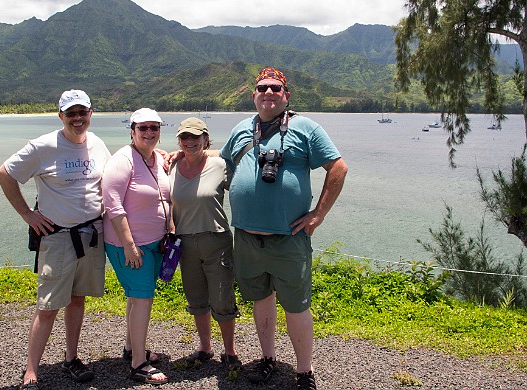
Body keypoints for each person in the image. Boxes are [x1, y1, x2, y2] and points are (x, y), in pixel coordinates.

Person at [220, 67, 348, 389]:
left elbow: (338, 167)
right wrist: (186, 153)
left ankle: (304, 372)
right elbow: (222, 162)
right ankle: (268, 359)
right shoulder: (241, 130)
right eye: (262, 88)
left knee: (296, 306)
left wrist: (318, 214)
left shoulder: (306, 128)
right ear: (253, 95)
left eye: (275, 88)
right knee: (261, 301)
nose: (268, 93)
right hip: (247, 239)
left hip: (289, 239)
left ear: (286, 95)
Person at [0, 90, 111, 390]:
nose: (77, 118)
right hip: (58, 236)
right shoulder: (43, 146)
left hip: (92, 234)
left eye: (82, 112)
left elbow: (113, 177)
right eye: (70, 113)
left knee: (77, 299)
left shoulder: (97, 143)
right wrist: (28, 215)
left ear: (91, 113)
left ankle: (71, 357)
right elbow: (4, 174)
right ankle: (31, 371)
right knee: (47, 307)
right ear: (61, 116)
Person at [102, 107, 169, 385]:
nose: (149, 132)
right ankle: (138, 363)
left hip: (154, 243)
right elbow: (113, 204)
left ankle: (132, 348)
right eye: (143, 128)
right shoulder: (123, 160)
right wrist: (129, 245)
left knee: (136, 296)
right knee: (142, 299)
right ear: (132, 132)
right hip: (129, 244)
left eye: (154, 127)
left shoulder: (155, 159)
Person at [168, 117, 241, 370]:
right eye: (185, 137)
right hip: (185, 243)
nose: (190, 141)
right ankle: (205, 348)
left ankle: (230, 351)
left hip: (216, 240)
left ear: (205, 139)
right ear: (179, 140)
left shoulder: (220, 165)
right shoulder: (171, 167)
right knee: (196, 298)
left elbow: (243, 189)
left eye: (195, 137)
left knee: (222, 298)